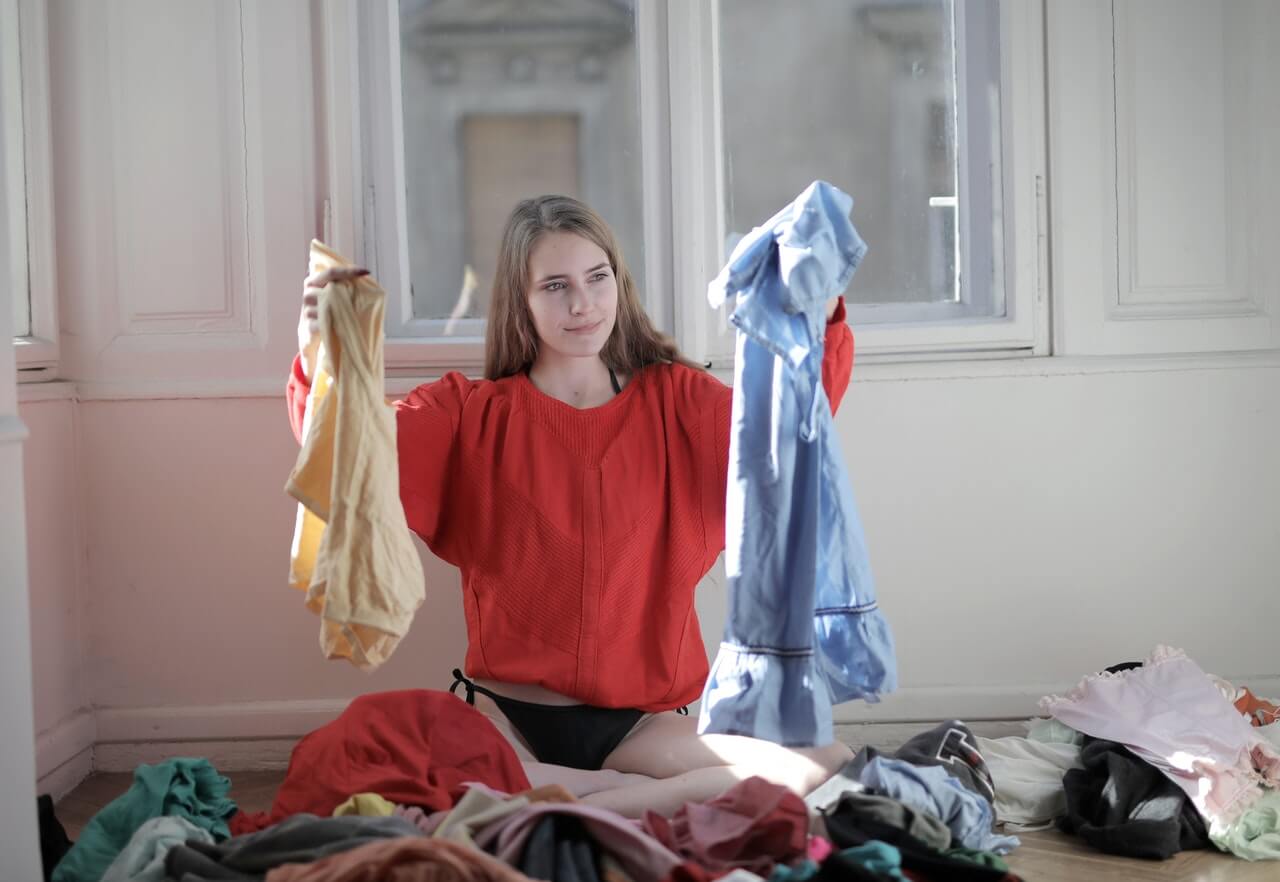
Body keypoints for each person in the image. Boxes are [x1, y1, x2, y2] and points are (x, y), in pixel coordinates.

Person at [288, 195, 857, 818]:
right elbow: (350, 448)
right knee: (359, 764)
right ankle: (610, 798)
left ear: (619, 281)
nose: (582, 304)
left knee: (825, 761)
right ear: (521, 301)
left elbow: (786, 430)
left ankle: (580, 794)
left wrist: (820, 312)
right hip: (506, 714)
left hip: (641, 728)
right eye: (555, 285)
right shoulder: (468, 413)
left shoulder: (679, 400)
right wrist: (320, 349)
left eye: (597, 278)